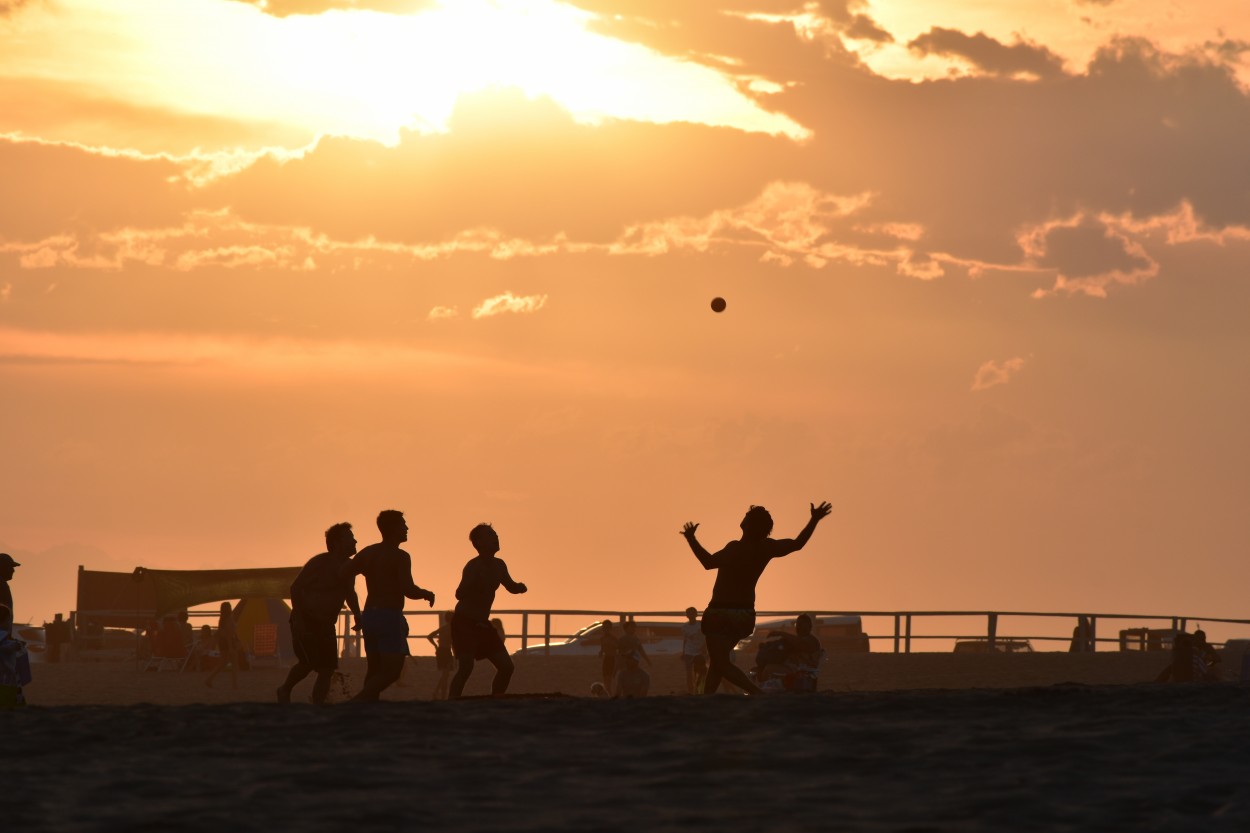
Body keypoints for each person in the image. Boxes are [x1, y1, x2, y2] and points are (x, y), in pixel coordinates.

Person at [682, 501, 833, 695]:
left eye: (746, 516)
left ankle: (756, 693)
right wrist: (814, 520)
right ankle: (707, 698)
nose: (743, 517)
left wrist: (691, 539)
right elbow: (797, 544)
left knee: (720, 661)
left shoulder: (735, 548)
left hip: (720, 612)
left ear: (748, 524)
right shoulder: (766, 548)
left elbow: (708, 562)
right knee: (719, 662)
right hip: (744, 614)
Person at [344, 510, 435, 702]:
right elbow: (408, 589)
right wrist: (426, 593)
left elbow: (344, 573)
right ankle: (358, 701)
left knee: (374, 668)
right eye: (403, 524)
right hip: (388, 616)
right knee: (393, 671)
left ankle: (367, 706)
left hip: (370, 616)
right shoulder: (400, 556)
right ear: (394, 529)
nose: (407, 528)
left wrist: (355, 609)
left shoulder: (369, 552)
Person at [277, 522, 363, 705]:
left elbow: (350, 592)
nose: (355, 540)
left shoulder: (349, 566)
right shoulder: (319, 563)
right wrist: (299, 619)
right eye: (350, 537)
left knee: (327, 668)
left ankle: (318, 703)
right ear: (338, 542)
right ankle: (284, 689)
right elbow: (296, 588)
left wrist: (357, 614)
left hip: (327, 623)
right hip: (307, 620)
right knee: (307, 663)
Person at [448, 523, 527, 699]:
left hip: (483, 625)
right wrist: (475, 582)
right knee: (466, 667)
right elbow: (459, 593)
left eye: (495, 534)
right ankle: (451, 703)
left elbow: (510, 585)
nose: (496, 538)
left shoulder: (499, 565)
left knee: (507, 667)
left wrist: (520, 587)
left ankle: (495, 700)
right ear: (479, 542)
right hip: (465, 623)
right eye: (491, 535)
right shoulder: (473, 566)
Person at [0, 603, 33, 709]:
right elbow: (6, 647)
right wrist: (17, 645)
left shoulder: (5, 637)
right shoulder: (2, 636)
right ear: (5, 621)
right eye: (9, 620)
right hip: (6, 682)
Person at [205, 601, 239, 689]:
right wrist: (231, 646)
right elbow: (229, 634)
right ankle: (234, 684)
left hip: (222, 643)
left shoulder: (222, 619)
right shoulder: (229, 618)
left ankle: (209, 679)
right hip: (229, 642)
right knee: (234, 663)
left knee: (223, 663)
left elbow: (220, 633)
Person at [426, 611, 455, 700]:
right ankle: (441, 695)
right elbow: (453, 644)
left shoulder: (443, 628)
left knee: (444, 675)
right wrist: (455, 655)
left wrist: (436, 646)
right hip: (446, 652)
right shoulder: (452, 629)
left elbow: (429, 636)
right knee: (445, 675)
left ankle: (437, 693)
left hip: (440, 651)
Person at [680, 607, 707, 695]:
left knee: (700, 672)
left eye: (692, 613)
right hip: (689, 651)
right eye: (689, 613)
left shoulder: (701, 625)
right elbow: (685, 640)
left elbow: (706, 637)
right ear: (687, 615)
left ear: (696, 614)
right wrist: (683, 652)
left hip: (699, 651)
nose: (691, 615)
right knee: (689, 673)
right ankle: (691, 691)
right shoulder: (684, 627)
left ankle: (699, 689)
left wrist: (704, 648)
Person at [598, 620, 618, 695]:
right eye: (604, 628)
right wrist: (601, 652)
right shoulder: (602, 638)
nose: (605, 630)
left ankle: (610, 695)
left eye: (607, 628)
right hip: (606, 659)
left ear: (610, 629)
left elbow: (617, 650)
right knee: (605, 679)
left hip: (612, 659)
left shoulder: (614, 638)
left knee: (609, 680)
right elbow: (603, 648)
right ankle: (609, 694)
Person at [0, 553, 18, 624]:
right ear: (3, 567)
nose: (13, 570)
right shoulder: (1, 586)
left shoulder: (2, 584)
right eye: (11, 567)